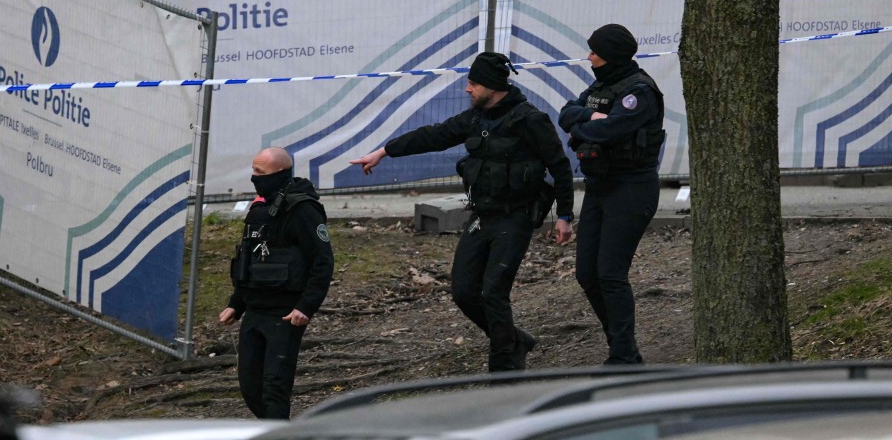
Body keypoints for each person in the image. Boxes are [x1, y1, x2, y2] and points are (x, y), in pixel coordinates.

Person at [351, 51, 574, 373]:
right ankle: (514, 340)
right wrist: (384, 152)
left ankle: (504, 372)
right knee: (464, 291)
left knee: (494, 292)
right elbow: (433, 135)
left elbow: (560, 167)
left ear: (493, 86)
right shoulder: (476, 118)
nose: (467, 89)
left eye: (473, 83)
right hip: (483, 216)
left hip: (516, 217)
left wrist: (565, 217)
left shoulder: (530, 120)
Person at [558, 24, 665, 365]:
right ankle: (625, 349)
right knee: (586, 274)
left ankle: (622, 356)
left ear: (611, 56)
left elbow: (610, 129)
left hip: (632, 188)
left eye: (595, 53)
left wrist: (586, 125)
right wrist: (588, 116)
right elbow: (566, 115)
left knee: (609, 274)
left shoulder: (640, 91)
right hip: (600, 187)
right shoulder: (602, 86)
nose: (589, 58)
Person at [219, 147, 334, 419]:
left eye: (260, 172)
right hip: (255, 310)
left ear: (280, 173)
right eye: (253, 170)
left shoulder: (302, 209)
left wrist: (306, 306)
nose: (254, 177)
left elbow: (322, 262)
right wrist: (236, 303)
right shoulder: (259, 208)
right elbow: (249, 259)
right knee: (250, 387)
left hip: (285, 314)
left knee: (274, 388)